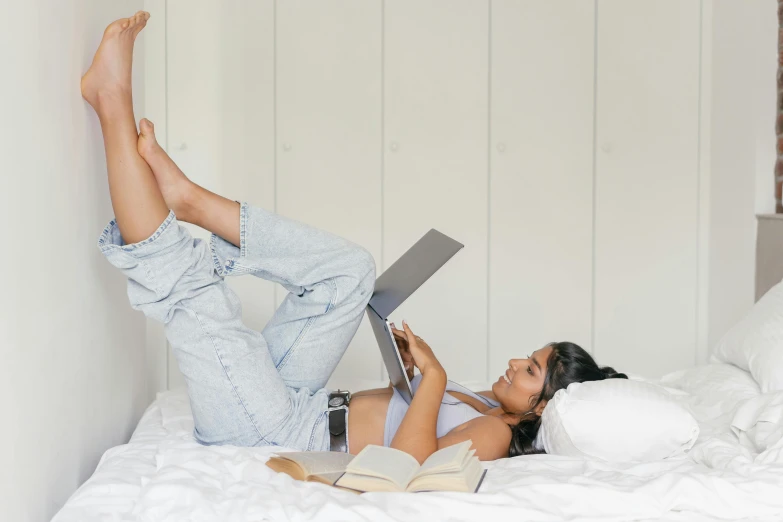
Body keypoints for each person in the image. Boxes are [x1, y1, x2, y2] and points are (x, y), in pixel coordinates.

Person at [82, 11, 627, 464]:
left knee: (197, 295)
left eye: (530, 370)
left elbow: (411, 469)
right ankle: (190, 200)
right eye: (527, 357)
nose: (514, 363)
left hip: (277, 431)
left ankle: (111, 100)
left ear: (540, 407)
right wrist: (411, 378)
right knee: (351, 273)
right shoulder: (489, 402)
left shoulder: (499, 434)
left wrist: (432, 376)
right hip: (304, 403)